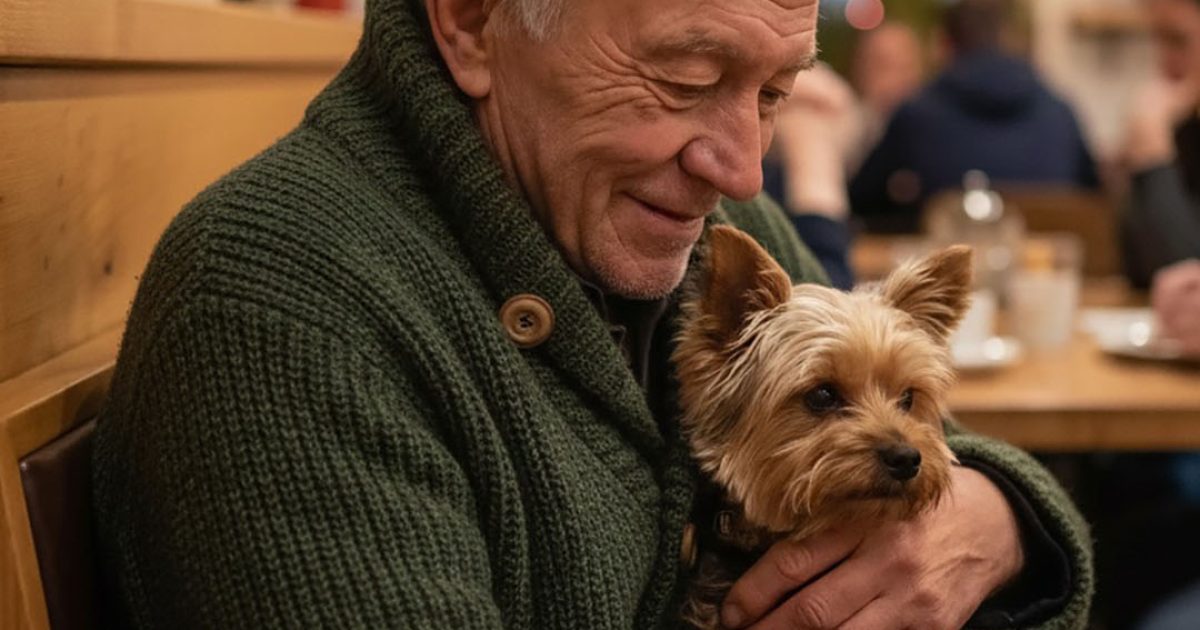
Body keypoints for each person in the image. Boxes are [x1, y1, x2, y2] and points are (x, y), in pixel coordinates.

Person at [92, 0, 1093, 627]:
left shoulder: (696, 209)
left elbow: (935, 453)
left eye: (775, 95)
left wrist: (999, 518)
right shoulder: (280, 309)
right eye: (687, 79)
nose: (742, 166)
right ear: (475, 22)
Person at [850, 0, 1100, 234]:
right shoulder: (1060, 111)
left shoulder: (917, 114)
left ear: (945, 46)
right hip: (1048, 274)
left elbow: (859, 199)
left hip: (952, 272)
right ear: (1007, 39)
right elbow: (1094, 198)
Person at [1119, 0, 1200, 288]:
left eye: (1178, 40)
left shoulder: (1162, 135)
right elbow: (1141, 271)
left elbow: (1189, 287)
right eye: (1156, 39)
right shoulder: (1182, 125)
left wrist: (1154, 159)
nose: (1163, 59)